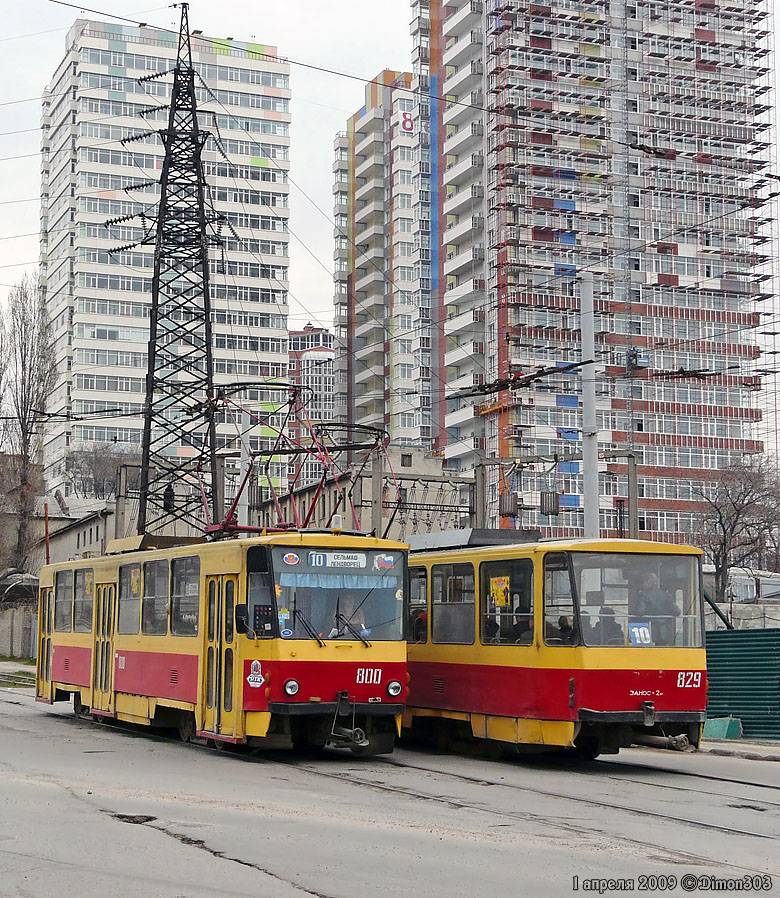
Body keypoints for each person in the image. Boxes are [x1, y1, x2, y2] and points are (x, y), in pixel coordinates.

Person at [635, 572, 679, 645]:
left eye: (643, 582)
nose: (642, 585)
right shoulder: (666, 595)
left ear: (648, 582)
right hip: (665, 632)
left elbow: (639, 612)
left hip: (649, 631)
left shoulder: (644, 595)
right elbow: (677, 611)